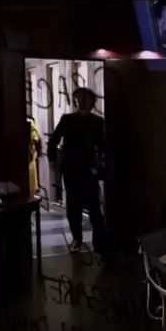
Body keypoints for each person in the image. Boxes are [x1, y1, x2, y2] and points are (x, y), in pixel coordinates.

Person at [47, 87, 107, 257]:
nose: (80, 102)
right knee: (73, 207)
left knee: (94, 208)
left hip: (88, 169)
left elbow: (103, 146)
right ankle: (77, 239)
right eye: (77, 99)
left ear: (91, 102)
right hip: (71, 168)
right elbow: (54, 140)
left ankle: (100, 243)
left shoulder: (98, 122)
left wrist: (98, 164)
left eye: (83, 98)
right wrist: (53, 161)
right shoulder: (67, 120)